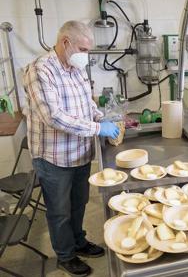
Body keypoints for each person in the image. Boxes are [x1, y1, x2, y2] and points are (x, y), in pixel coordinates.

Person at [23, 21, 119, 277]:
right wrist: (98, 130)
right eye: (83, 49)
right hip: (53, 156)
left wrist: (99, 118)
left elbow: (86, 102)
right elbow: (53, 117)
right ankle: (65, 255)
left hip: (79, 153)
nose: (85, 55)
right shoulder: (40, 70)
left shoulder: (76, 69)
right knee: (59, 210)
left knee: (79, 203)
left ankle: (79, 241)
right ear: (65, 42)